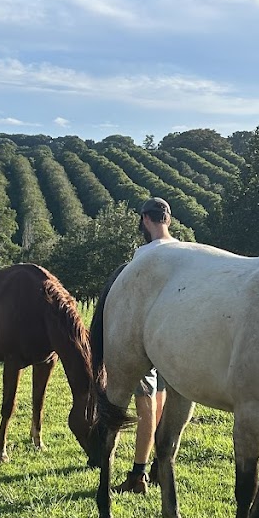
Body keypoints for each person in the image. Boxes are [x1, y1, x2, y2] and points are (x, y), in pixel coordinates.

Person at [115, 197, 173, 495]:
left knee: (145, 402)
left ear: (146, 220)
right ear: (169, 220)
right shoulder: (182, 251)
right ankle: (159, 466)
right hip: (174, 338)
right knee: (163, 399)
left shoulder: (144, 255)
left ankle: (138, 473)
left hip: (147, 338)